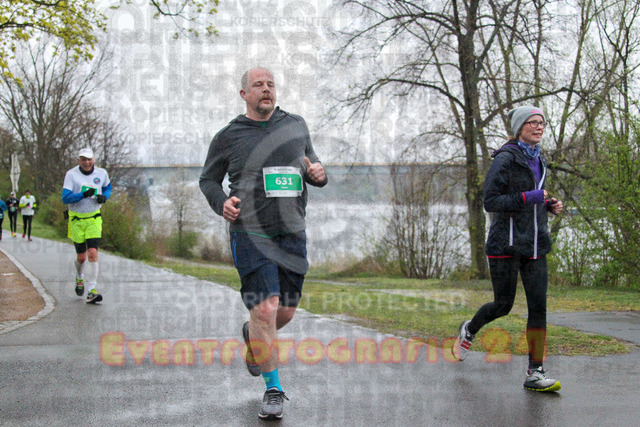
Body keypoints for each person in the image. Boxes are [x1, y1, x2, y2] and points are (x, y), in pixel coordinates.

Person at [199, 66, 327, 420]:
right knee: (266, 309)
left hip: (292, 233)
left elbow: (313, 166)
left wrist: (319, 174)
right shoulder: (229, 136)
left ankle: (252, 334)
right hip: (250, 233)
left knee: (284, 311)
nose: (266, 89)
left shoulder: (295, 125)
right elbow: (208, 180)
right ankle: (273, 389)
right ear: (244, 94)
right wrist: (221, 203)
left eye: (270, 84)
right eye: (258, 85)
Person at [453, 106, 564, 392]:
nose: (539, 127)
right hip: (506, 245)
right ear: (519, 128)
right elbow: (491, 201)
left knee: (538, 308)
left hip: (536, 245)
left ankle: (535, 372)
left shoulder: (539, 158)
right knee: (503, 305)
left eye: (542, 123)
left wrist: (547, 204)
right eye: (532, 123)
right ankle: (470, 329)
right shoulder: (505, 158)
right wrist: (529, 197)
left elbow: (532, 199)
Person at [62, 147, 111, 304]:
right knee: (82, 257)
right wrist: (83, 195)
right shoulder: (71, 175)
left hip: (94, 218)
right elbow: (65, 198)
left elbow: (107, 188)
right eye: (83, 159)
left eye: (89, 159)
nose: (87, 162)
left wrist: (104, 197)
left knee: (93, 253)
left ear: (93, 160)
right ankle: (79, 277)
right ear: (79, 161)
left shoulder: (102, 173)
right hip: (76, 219)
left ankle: (92, 290)